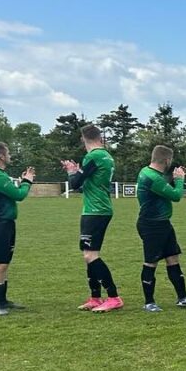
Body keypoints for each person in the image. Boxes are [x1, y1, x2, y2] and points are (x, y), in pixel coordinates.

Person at [135, 145, 186, 312]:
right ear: (167, 160)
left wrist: (172, 178)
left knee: (173, 258)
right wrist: (179, 179)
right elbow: (175, 196)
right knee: (151, 262)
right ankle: (149, 302)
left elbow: (163, 189)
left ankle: (183, 297)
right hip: (152, 225)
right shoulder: (152, 177)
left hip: (163, 223)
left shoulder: (148, 172)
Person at [62, 124, 122, 312]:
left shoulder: (94, 156)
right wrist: (79, 173)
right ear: (100, 137)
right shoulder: (106, 156)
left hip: (96, 210)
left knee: (90, 255)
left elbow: (75, 183)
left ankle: (113, 296)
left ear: (83, 139)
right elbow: (85, 185)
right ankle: (95, 297)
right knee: (88, 255)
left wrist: (72, 170)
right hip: (96, 208)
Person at [0, 142, 35, 315]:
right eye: (8, 152)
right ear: (1, 156)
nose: (10, 155)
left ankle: (3, 301)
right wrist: (27, 181)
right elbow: (19, 195)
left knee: (4, 263)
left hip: (4, 223)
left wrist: (21, 182)